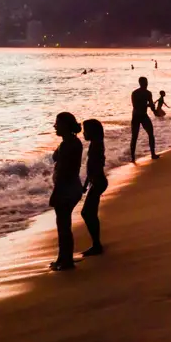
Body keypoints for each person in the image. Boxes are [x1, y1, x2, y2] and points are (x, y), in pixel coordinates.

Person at [49, 112, 83, 271]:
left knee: (63, 226)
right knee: (64, 225)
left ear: (66, 126)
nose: (55, 126)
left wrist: (56, 193)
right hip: (73, 186)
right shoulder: (72, 142)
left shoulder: (68, 145)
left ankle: (66, 260)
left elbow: (63, 172)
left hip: (66, 188)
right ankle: (63, 258)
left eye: (58, 123)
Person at [81, 119, 108, 256]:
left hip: (98, 182)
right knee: (90, 213)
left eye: (85, 130)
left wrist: (91, 182)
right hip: (96, 181)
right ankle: (96, 242)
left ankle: (97, 244)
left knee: (87, 213)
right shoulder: (95, 144)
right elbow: (90, 168)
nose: (83, 133)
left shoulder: (96, 145)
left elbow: (96, 166)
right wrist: (85, 185)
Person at [130, 77, 158, 162]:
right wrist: (148, 106)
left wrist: (155, 111)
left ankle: (153, 154)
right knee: (134, 136)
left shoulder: (148, 93)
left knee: (151, 133)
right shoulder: (135, 93)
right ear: (140, 83)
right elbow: (135, 106)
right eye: (144, 83)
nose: (146, 84)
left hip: (144, 115)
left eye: (146, 82)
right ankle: (132, 157)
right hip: (136, 116)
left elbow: (151, 104)